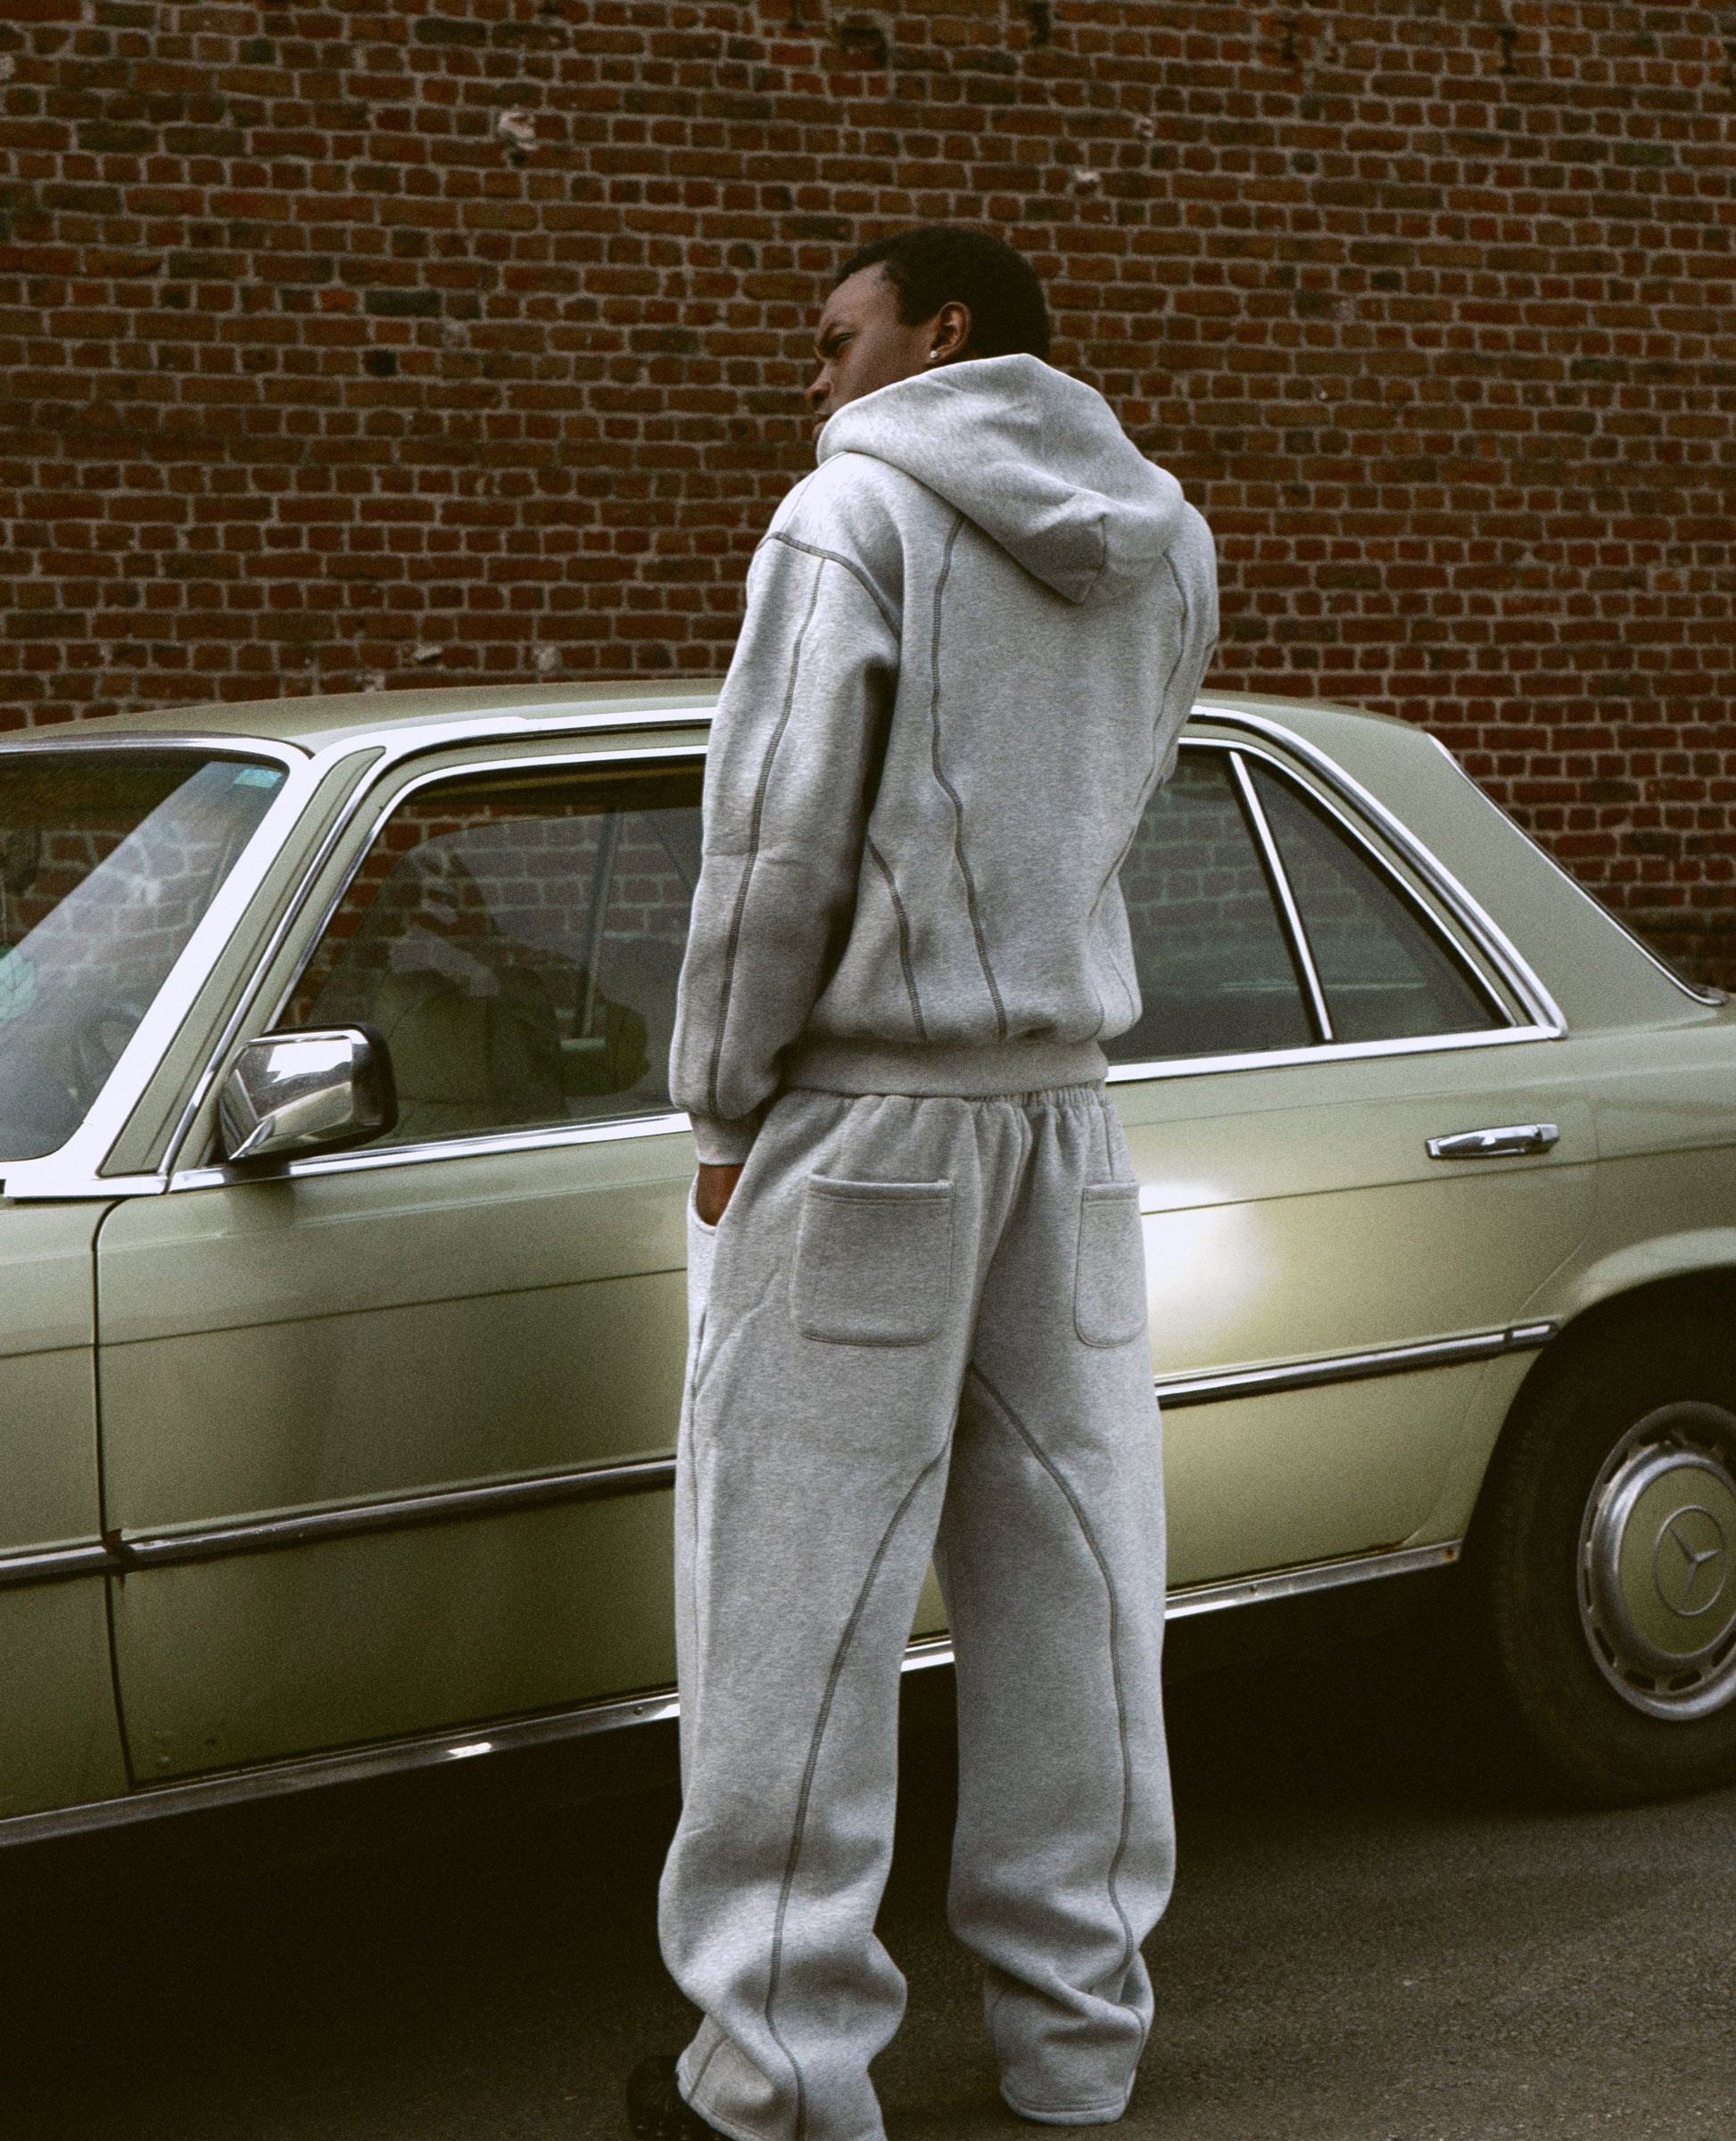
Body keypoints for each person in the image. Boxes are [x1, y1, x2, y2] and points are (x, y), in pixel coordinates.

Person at [628, 225, 1219, 2141]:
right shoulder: (1168, 544)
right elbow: (1119, 797)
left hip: (868, 1122)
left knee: (791, 1609)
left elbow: (770, 847)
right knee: (1080, 1595)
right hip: (1067, 1120)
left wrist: (721, 1110)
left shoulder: (849, 520)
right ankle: (1077, 2048)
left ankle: (776, 2081)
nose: (812, 378)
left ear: (937, 332)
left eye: (834, 339)